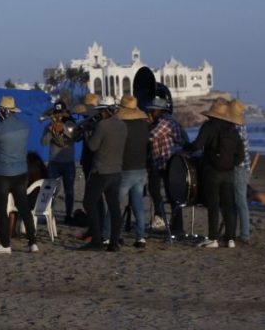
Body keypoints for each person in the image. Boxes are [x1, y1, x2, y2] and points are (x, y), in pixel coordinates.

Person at [184, 98, 244, 248]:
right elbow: (241, 155)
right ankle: (230, 239)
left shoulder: (208, 126)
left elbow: (197, 145)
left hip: (212, 171)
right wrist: (231, 164)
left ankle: (213, 238)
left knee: (213, 205)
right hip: (228, 172)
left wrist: (185, 147)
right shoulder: (232, 129)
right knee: (228, 205)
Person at [0, 96, 37, 254]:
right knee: (24, 207)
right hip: (21, 172)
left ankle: (5, 245)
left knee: (1, 210)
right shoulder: (24, 126)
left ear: (3, 111)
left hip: (3, 174)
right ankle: (33, 243)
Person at [79, 97, 129, 252]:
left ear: (106, 111)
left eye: (101, 111)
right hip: (116, 171)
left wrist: (87, 132)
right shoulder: (122, 125)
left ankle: (96, 240)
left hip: (101, 171)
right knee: (114, 207)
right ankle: (114, 242)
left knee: (88, 202)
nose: (99, 114)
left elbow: (93, 146)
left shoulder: (102, 125)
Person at [146, 94, 189, 235]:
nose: (151, 112)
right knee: (170, 195)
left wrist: (146, 124)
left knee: (165, 193)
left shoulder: (165, 122)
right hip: (164, 162)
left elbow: (150, 136)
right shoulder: (165, 120)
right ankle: (174, 225)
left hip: (166, 162)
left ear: (159, 110)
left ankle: (164, 220)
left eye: (153, 110)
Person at [115, 97, 150, 249]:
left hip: (125, 168)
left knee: (116, 204)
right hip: (141, 169)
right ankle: (141, 237)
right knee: (138, 205)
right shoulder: (144, 126)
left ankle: (114, 235)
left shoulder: (121, 126)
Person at [41, 101, 78, 223]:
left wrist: (64, 129)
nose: (58, 116)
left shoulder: (71, 123)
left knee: (69, 191)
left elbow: (75, 138)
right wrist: (49, 131)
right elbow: (44, 143)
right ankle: (50, 215)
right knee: (52, 190)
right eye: (56, 113)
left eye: (61, 113)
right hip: (54, 162)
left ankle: (68, 215)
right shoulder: (49, 125)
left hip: (68, 162)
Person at [230, 100, 252, 244]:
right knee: (240, 201)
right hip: (244, 167)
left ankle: (244, 234)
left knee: (240, 201)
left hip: (239, 167)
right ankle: (243, 232)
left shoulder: (236, 128)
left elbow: (236, 151)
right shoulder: (241, 126)